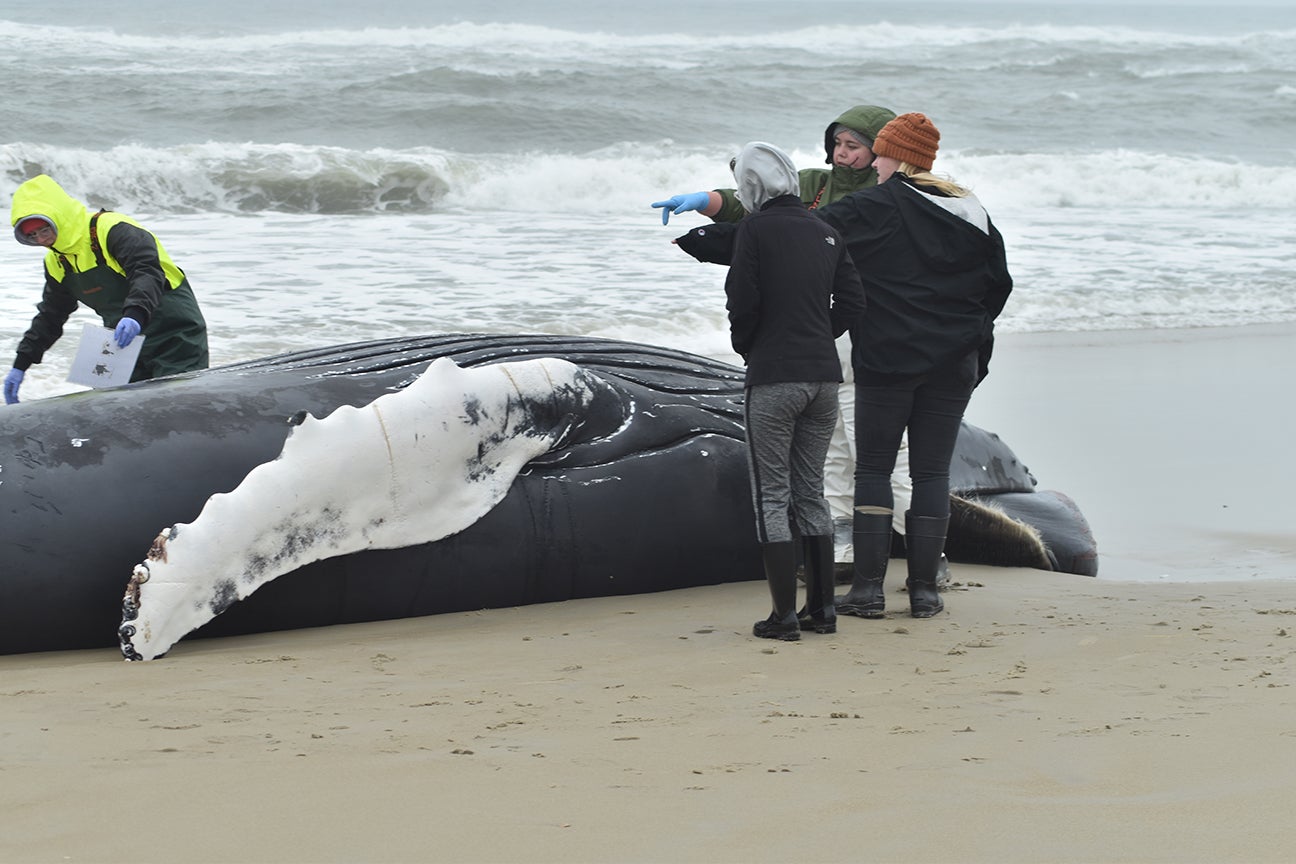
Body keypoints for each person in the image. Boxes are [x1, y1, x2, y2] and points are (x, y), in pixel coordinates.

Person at [650, 105, 917, 570]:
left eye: (854, 146)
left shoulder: (893, 197)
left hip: (878, 338)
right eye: (837, 144)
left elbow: (764, 244)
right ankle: (839, 551)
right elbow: (752, 199)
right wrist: (704, 200)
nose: (842, 155)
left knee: (880, 451)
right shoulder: (815, 185)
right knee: (831, 450)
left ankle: (926, 551)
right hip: (830, 343)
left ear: (882, 149)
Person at [815, 113, 1013, 619]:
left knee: (875, 470)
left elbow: (802, 236)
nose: (874, 163)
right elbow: (999, 285)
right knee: (929, 473)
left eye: (879, 153)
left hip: (888, 361)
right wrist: (963, 334)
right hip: (954, 364)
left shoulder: (875, 205)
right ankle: (925, 592)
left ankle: (868, 591)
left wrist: (724, 237)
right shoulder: (970, 209)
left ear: (900, 157)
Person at [721, 141, 866, 641]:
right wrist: (817, 337)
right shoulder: (825, 230)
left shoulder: (754, 230)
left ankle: (782, 616)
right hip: (824, 378)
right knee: (812, 492)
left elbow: (742, 298)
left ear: (751, 185)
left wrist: (750, 347)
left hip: (775, 377)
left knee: (771, 494)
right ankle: (822, 611)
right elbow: (853, 301)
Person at [3, 174, 208, 404]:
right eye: (32, 235)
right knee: (118, 410)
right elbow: (51, 315)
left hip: (172, 332)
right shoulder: (56, 262)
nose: (41, 239)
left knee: (178, 406)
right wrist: (21, 364)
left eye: (44, 229)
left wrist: (135, 315)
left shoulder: (111, 228)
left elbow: (147, 271)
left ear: (58, 218)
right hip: (122, 343)